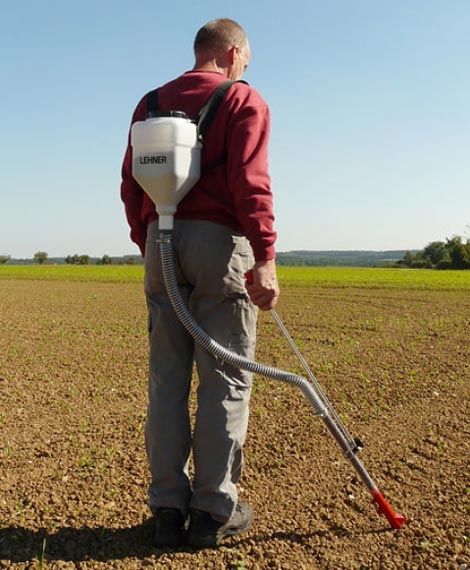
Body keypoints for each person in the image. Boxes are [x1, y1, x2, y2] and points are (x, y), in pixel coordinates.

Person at [120, 18, 279, 549]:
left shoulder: (149, 105)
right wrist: (265, 257)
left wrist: (151, 244)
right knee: (226, 380)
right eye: (246, 62)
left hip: (160, 243)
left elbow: (129, 185)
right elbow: (251, 182)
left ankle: (167, 507)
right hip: (219, 247)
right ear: (232, 54)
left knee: (167, 381)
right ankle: (212, 512)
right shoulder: (242, 99)